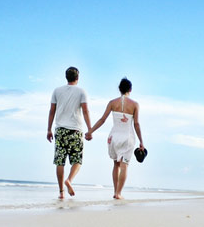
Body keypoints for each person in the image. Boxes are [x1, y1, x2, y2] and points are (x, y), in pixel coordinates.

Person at [86, 77, 145, 199]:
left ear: (119, 89)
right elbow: (136, 124)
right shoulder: (134, 105)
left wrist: (90, 131)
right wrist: (141, 141)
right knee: (124, 165)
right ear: (130, 89)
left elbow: (102, 119)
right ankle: (119, 193)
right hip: (127, 137)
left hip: (113, 137)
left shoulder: (112, 103)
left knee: (116, 165)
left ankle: (115, 192)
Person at [47, 66, 92, 199]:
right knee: (77, 160)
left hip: (60, 130)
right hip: (75, 130)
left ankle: (61, 192)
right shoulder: (81, 91)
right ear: (77, 78)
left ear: (66, 77)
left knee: (60, 161)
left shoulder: (57, 91)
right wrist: (90, 129)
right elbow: (85, 111)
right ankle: (69, 180)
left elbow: (51, 111)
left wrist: (48, 129)